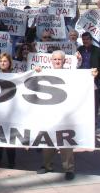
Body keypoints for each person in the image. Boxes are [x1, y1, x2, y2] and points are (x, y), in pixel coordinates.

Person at [34, 50, 79, 180]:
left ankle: (69, 169)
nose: (57, 61)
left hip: (65, 116)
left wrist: (92, 74)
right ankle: (47, 166)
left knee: (66, 145)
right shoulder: (44, 73)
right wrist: (36, 72)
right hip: (48, 115)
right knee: (47, 143)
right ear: (51, 61)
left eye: (60, 59)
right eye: (55, 59)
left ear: (64, 61)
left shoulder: (71, 75)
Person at [0, 53, 16, 168]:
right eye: (1, 61)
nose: (3, 63)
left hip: (11, 112)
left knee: (11, 138)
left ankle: (11, 161)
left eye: (5, 61)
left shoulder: (16, 75)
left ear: (9, 62)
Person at [78, 32, 100, 106]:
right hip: (82, 74)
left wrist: (99, 73)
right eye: (83, 39)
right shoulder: (79, 49)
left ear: (91, 40)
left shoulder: (97, 50)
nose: (85, 41)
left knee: (95, 95)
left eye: (87, 39)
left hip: (94, 75)